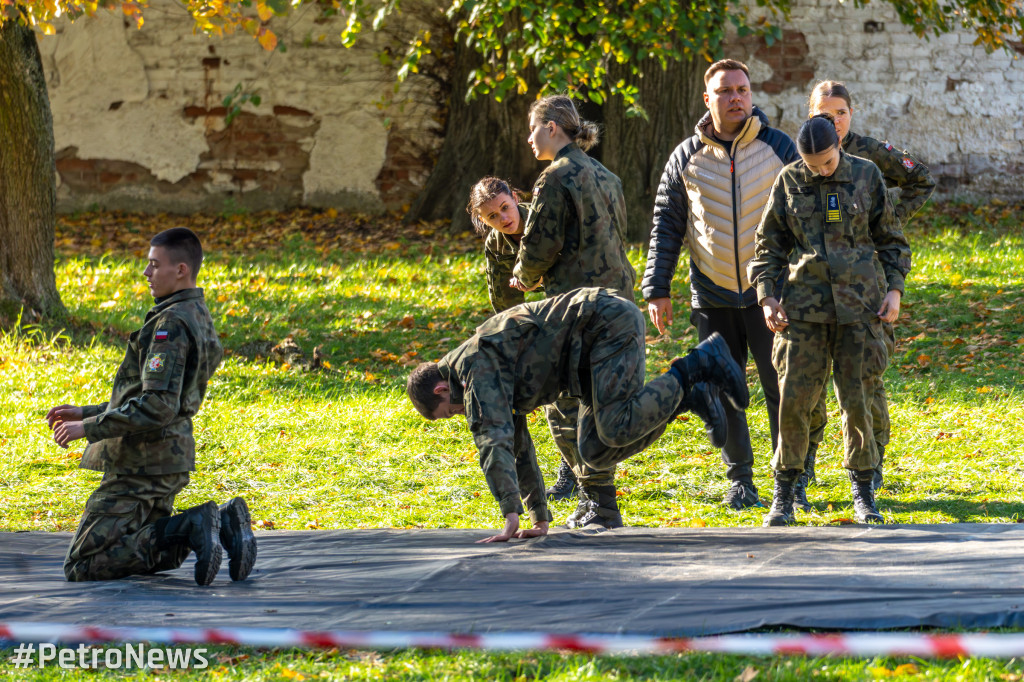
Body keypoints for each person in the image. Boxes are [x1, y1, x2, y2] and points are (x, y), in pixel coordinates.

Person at [405, 287, 746, 542]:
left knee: (613, 426)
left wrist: (509, 511)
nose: (461, 415)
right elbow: (518, 445)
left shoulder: (474, 366)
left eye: (451, 411)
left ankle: (696, 365)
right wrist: (538, 516)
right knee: (594, 452)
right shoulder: (479, 375)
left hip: (606, 324)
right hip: (585, 364)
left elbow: (492, 439)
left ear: (441, 390)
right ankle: (688, 395)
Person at [46, 227, 256, 586]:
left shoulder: (170, 324)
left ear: (181, 270)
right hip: (166, 457)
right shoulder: (195, 312)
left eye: (154, 264)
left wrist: (89, 428)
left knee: (83, 564)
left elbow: (157, 404)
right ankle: (223, 527)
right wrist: (85, 411)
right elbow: (160, 397)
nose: (146, 273)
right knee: (146, 539)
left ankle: (194, 526)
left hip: (142, 465)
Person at [641, 59, 798, 511]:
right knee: (723, 390)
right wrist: (657, 288)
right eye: (725, 91)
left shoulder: (778, 146)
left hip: (770, 291)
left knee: (780, 389)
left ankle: (789, 479)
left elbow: (802, 215)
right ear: (707, 99)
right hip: (711, 291)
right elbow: (666, 225)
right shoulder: (685, 156)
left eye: (743, 90)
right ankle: (741, 480)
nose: (736, 98)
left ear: (751, 96)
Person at [748, 114, 912, 526]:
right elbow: (768, 246)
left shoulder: (866, 175)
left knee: (857, 399)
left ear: (838, 146)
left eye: (825, 162)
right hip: (803, 309)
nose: (820, 170)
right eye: (811, 163)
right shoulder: (789, 181)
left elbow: (891, 239)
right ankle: (785, 491)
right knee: (794, 401)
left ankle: (863, 489)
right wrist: (767, 297)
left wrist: (894, 290)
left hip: (860, 308)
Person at [795, 80, 936, 502]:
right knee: (810, 382)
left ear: (850, 114)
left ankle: (870, 463)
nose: (833, 120)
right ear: (810, 116)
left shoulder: (869, 155)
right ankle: (805, 462)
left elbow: (921, 180)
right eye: (824, 113)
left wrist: (881, 219)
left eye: (840, 112)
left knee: (864, 378)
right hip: (816, 287)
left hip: (865, 279)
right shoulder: (803, 156)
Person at [507, 94, 638, 529]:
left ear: (550, 126)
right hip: (617, 303)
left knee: (563, 404)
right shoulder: (607, 176)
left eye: (532, 128)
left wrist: (522, 277)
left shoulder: (555, 178)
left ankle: (597, 500)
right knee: (601, 403)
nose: (528, 138)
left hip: (574, 309)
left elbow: (541, 245)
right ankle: (597, 500)